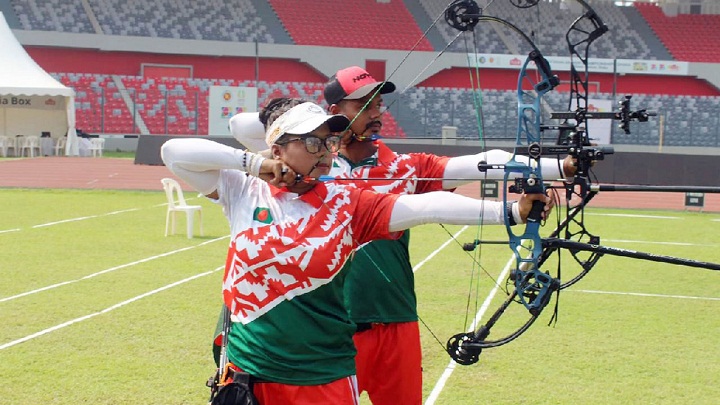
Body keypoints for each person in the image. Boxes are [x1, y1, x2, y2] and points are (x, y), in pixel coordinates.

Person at [162, 100, 553, 404]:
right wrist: (252, 164)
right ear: (278, 148)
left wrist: (510, 212)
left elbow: (426, 206)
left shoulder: (348, 203)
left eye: (328, 143)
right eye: (311, 142)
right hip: (250, 373)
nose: (324, 152)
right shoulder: (243, 190)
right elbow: (174, 152)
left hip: (323, 378)